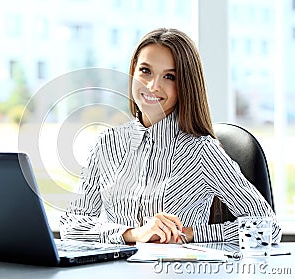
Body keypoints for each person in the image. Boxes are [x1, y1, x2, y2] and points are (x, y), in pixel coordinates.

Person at [59, 28, 281, 245]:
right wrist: (133, 234)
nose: (153, 86)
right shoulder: (106, 143)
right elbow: (71, 224)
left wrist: (190, 233)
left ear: (185, 85)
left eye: (169, 76)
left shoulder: (201, 151)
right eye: (145, 71)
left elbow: (267, 226)